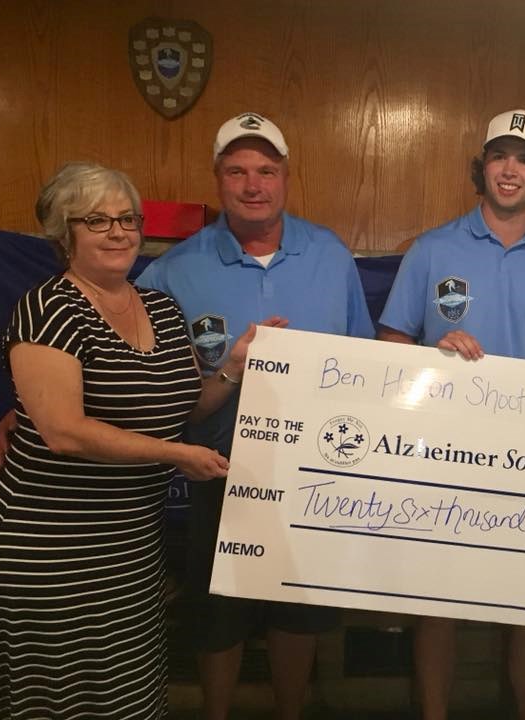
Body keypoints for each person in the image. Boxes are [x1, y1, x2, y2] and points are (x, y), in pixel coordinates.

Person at [0, 162, 262, 718]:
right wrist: (177, 456)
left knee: (125, 695)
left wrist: (232, 367)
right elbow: (63, 432)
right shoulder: (48, 308)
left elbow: (183, 406)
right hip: (49, 545)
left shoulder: (158, 305)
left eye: (127, 218)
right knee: (57, 698)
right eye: (96, 220)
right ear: (65, 233)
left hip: (130, 545)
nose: (118, 231)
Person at [134, 112, 375, 720]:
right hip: (220, 470)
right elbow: (151, 390)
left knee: (298, 610)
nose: (253, 184)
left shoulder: (329, 255)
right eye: (237, 170)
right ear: (217, 179)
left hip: (313, 472)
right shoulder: (171, 272)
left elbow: (366, 364)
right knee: (219, 613)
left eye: (266, 170)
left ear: (286, 177)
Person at [377, 108, 525, 720]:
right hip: (441, 450)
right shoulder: (432, 249)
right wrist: (433, 351)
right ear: (483, 167)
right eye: (500, 155)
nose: (510, 169)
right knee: (438, 601)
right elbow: (390, 345)